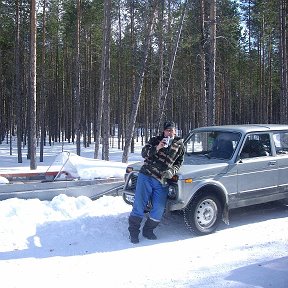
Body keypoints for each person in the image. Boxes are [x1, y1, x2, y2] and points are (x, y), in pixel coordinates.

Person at [128, 121, 185, 244]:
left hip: (162, 179)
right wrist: (158, 147)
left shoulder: (180, 145)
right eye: (167, 130)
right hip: (146, 175)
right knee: (139, 204)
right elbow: (144, 153)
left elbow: (179, 163)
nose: (169, 133)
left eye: (172, 130)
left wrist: (171, 171)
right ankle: (133, 232)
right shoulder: (155, 140)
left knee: (159, 208)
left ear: (175, 131)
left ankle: (148, 230)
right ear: (163, 131)